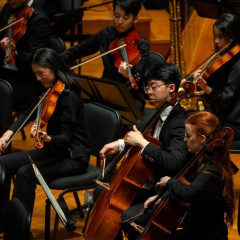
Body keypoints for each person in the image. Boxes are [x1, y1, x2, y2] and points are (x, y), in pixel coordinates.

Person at [0, 48, 90, 233]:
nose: (39, 78)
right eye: (35, 74)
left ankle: (19, 232)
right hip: (54, 151)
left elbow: (66, 139)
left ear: (54, 68)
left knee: (26, 173)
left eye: (41, 73)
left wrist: (47, 137)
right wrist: (8, 133)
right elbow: (28, 112)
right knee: (3, 163)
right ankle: (4, 218)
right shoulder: (49, 90)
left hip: (73, 157)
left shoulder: (69, 96)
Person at [98, 62, 190, 240]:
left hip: (162, 191)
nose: (149, 91)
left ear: (171, 88)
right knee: (101, 193)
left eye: (154, 86)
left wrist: (142, 143)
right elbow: (142, 138)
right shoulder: (156, 113)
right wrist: (121, 144)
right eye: (147, 86)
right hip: (145, 182)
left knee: (125, 217)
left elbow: (174, 161)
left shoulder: (180, 122)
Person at [143, 111, 235, 240]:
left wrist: (169, 182)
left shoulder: (212, 169)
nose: (184, 139)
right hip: (193, 231)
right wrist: (161, 198)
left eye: (188, 136)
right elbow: (183, 185)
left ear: (202, 139)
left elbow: (189, 192)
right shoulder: (198, 161)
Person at [60, 0, 149, 113]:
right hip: (105, 90)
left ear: (135, 18)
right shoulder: (107, 34)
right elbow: (78, 50)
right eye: (116, 16)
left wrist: (128, 75)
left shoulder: (142, 44)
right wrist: (56, 59)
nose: (120, 21)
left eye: (126, 18)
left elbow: (139, 77)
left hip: (130, 96)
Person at [191, 13, 240, 140]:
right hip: (221, 115)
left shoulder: (238, 64)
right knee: (188, 122)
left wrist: (207, 89)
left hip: (233, 124)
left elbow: (226, 98)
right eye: (215, 36)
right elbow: (216, 81)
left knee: (196, 133)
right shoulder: (226, 56)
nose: (216, 41)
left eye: (221, 37)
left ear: (232, 36)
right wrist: (203, 77)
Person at [0, 0, 51, 111]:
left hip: (24, 79)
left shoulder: (39, 19)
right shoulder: (8, 9)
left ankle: (6, 128)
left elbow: (36, 60)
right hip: (4, 72)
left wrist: (14, 52)